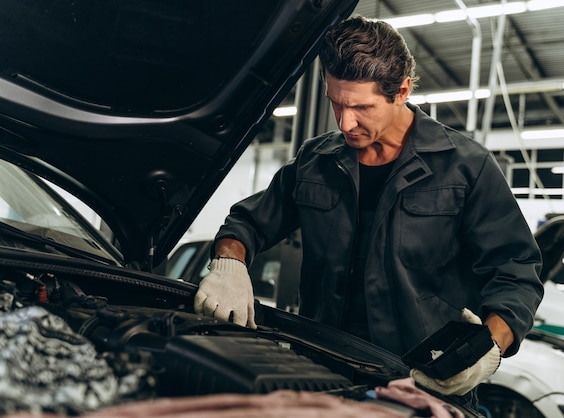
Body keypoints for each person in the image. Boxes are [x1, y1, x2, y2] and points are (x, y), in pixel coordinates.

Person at [194, 15, 543, 411]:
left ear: (402, 91)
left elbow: (516, 272)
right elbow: (247, 224)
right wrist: (229, 265)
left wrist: (488, 348)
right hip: (321, 374)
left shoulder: (466, 167)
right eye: (335, 103)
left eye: (362, 107)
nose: (345, 122)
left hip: (423, 383)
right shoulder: (315, 161)